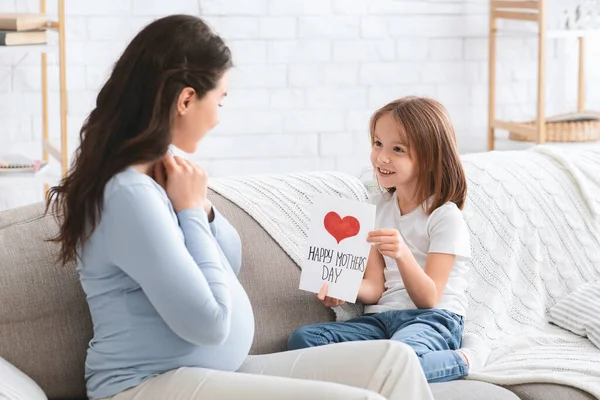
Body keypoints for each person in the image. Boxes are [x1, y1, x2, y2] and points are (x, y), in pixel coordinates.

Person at [46, 15, 434, 400]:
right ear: (186, 99)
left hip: (208, 372)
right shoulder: (128, 195)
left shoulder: (166, 170)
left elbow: (229, 259)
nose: (217, 116)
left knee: (395, 362)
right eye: (220, 100)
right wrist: (192, 212)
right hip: (145, 386)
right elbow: (209, 323)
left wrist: (203, 210)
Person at [288, 96, 472, 383]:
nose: (381, 158)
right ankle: (373, 374)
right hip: (380, 321)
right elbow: (375, 288)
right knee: (305, 341)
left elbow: (429, 298)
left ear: (429, 158)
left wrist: (403, 255)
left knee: (400, 357)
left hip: (433, 320)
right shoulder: (375, 210)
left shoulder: (444, 217)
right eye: (377, 144)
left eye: (397, 149)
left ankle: (463, 360)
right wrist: (342, 289)